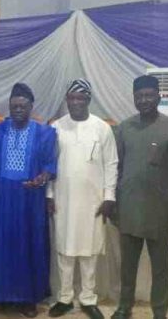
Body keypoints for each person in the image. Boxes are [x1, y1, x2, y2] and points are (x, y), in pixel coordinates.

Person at [111, 75, 168, 319]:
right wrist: (113, 204)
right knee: (128, 266)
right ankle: (124, 307)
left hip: (161, 211)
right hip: (129, 208)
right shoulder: (123, 128)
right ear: (134, 98)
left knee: (160, 268)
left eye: (149, 95)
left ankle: (159, 312)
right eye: (139, 96)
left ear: (159, 97)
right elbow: (116, 169)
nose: (144, 100)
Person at [47, 79, 117, 319]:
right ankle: (64, 298)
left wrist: (109, 197)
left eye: (81, 98)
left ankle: (88, 299)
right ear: (67, 100)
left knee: (89, 252)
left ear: (88, 100)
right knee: (64, 252)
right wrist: (48, 194)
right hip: (63, 200)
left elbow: (111, 164)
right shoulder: (56, 127)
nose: (76, 102)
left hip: (93, 202)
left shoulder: (102, 128)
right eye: (72, 98)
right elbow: (49, 164)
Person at [0, 83, 56, 317]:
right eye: (13, 106)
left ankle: (27, 299)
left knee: (29, 246)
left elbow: (49, 164)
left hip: (30, 200)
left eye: (22, 106)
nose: (17, 110)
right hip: (2, 199)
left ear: (31, 107)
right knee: (1, 246)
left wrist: (41, 178)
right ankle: (1, 295)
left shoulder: (44, 133)